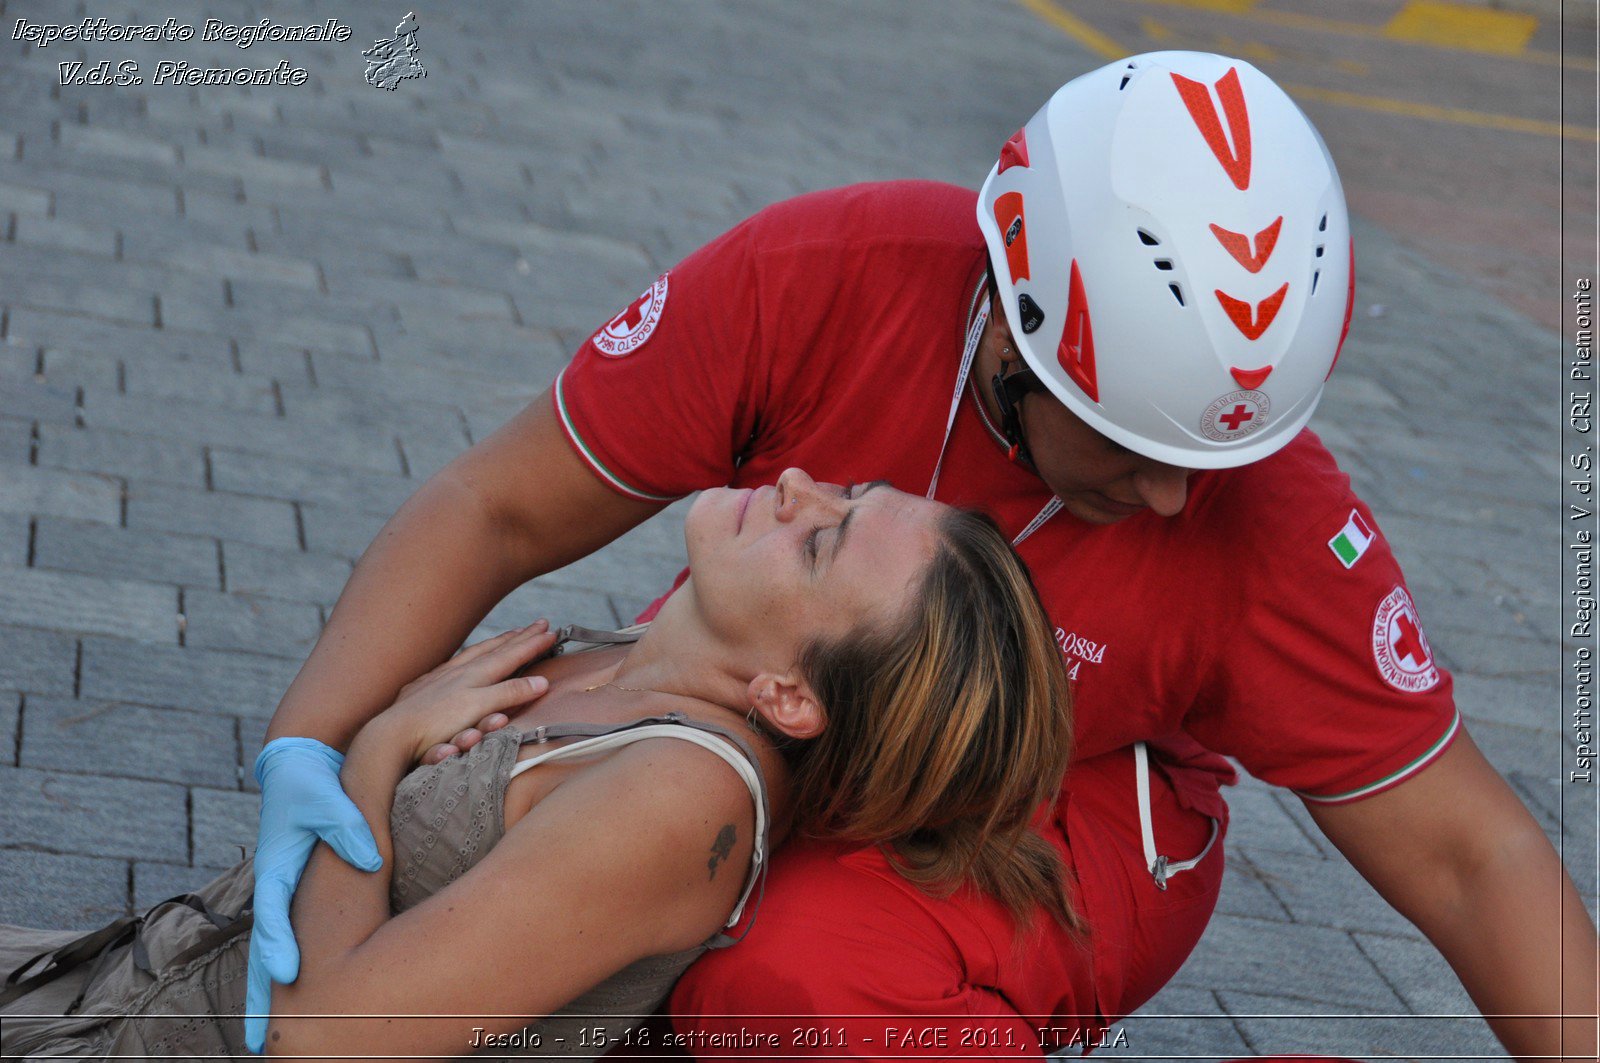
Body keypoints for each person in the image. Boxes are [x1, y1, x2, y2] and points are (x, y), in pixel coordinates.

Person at [243, 50, 1596, 1061]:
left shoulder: (1276, 519)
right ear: (1011, 327)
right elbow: (499, 508)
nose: (1181, 499)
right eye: (1131, 442)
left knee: (781, 978)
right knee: (501, 813)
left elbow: (1471, 853)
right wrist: (311, 752)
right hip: (803, 699)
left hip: (1072, 803)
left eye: (1215, 456)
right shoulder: (833, 270)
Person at [0, 472, 1079, 1059]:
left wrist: (372, 752)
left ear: (790, 697)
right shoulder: (625, 654)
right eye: (850, 492)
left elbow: (324, 1042)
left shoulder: (682, 797)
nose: (799, 486)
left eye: (822, 544)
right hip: (107, 987)